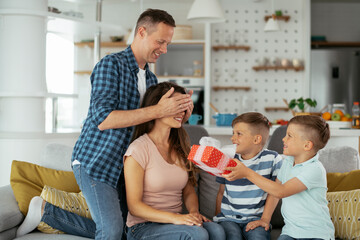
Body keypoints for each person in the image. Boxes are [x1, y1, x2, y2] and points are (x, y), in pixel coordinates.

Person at [16, 9, 193, 239]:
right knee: (110, 231)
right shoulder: (111, 65)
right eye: (160, 41)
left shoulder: (150, 79)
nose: (164, 49)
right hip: (96, 162)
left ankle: (46, 212)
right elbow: (103, 119)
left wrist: (181, 113)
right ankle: (47, 212)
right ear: (141, 32)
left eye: (167, 43)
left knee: (123, 232)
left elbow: (151, 125)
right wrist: (158, 109)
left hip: (124, 167)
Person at [124, 82, 225, 240]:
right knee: (198, 234)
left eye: (184, 106)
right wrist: (177, 219)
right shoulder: (138, 149)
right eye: (176, 106)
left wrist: (193, 213)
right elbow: (135, 207)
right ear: (158, 107)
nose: (182, 112)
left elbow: (189, 190)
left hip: (174, 223)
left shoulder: (181, 146)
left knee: (217, 231)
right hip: (143, 227)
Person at [225, 115, 335, 240]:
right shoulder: (288, 162)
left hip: (316, 234)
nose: (283, 139)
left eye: (289, 136)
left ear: (307, 145)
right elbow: (274, 192)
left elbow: (281, 191)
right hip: (290, 232)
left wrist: (247, 172)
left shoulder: (314, 169)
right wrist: (265, 219)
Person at [214, 112, 283, 240]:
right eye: (233, 133)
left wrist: (265, 220)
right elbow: (221, 192)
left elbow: (274, 193)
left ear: (256, 139)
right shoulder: (227, 158)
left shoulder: (273, 159)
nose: (233, 138)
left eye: (239, 134)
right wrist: (218, 216)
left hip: (256, 219)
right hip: (228, 219)